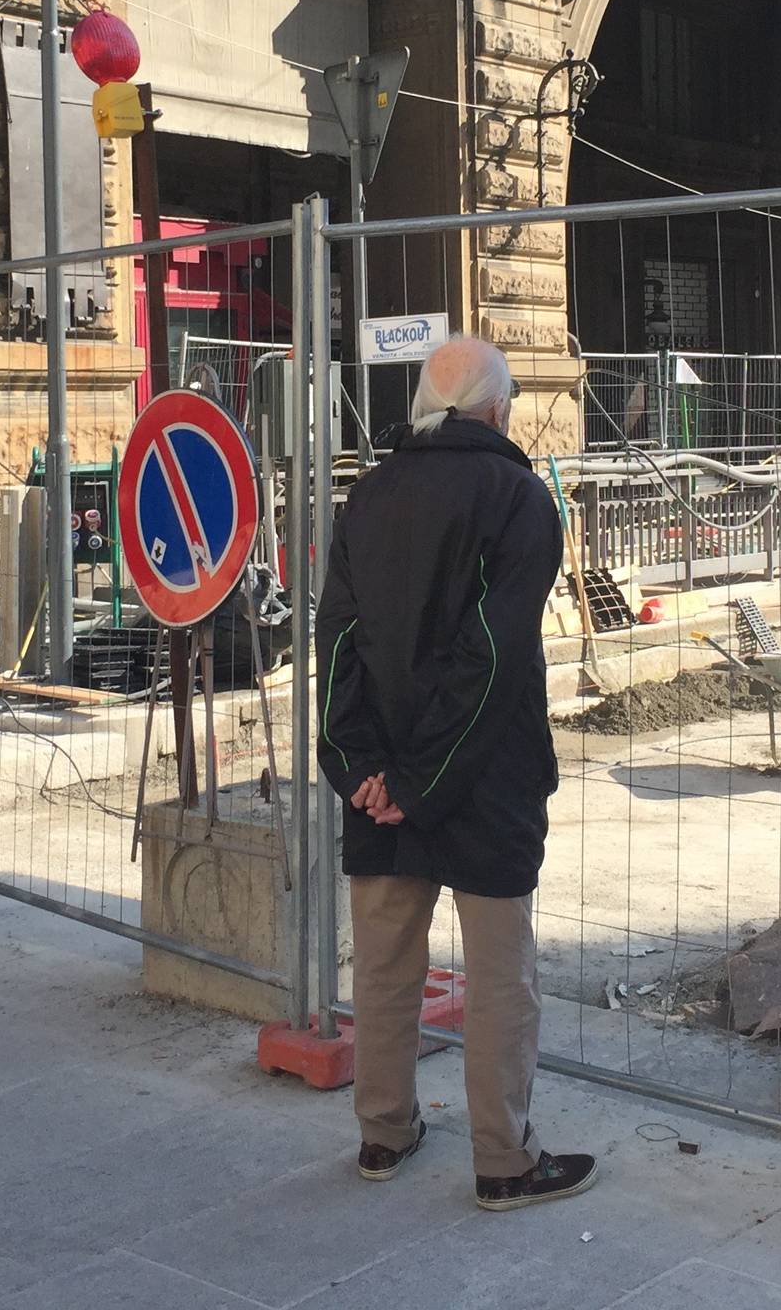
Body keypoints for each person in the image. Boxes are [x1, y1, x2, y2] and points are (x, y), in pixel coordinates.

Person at [315, 336, 596, 1211]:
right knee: (499, 978)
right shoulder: (518, 498)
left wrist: (360, 767)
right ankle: (503, 1161)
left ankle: (383, 1134)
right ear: (497, 410)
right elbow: (491, 656)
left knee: (386, 970)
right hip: (483, 779)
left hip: (381, 791)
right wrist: (422, 779)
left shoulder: (365, 496)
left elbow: (338, 644)